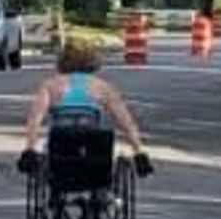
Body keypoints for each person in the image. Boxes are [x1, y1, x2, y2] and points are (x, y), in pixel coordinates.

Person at [17, 39, 154, 177]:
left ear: (63, 60)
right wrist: (139, 152)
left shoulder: (50, 85)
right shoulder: (103, 87)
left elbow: (35, 119)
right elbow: (125, 122)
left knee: (50, 151)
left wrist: (30, 149)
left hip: (60, 143)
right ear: (92, 60)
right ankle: (100, 189)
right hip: (94, 145)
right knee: (105, 148)